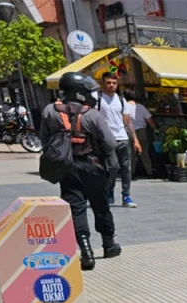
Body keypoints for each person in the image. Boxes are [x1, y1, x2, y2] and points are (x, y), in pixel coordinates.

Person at [41, 73, 119, 270]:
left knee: (76, 208)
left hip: (66, 168)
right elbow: (110, 143)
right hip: (93, 167)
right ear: (79, 92)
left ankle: (86, 251)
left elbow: (45, 140)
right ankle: (109, 245)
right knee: (100, 206)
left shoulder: (50, 111)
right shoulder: (92, 114)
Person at [98, 72, 140, 208]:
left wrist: (135, 140)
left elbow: (127, 122)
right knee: (113, 167)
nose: (111, 85)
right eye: (108, 82)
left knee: (126, 168)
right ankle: (109, 190)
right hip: (107, 139)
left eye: (114, 83)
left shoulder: (121, 100)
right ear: (102, 83)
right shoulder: (97, 99)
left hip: (123, 138)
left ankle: (126, 196)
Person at [125, 91, 157, 177]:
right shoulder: (141, 107)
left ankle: (131, 173)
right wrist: (155, 129)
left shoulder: (124, 107)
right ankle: (149, 172)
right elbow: (149, 120)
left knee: (130, 154)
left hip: (129, 132)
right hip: (141, 131)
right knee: (144, 153)